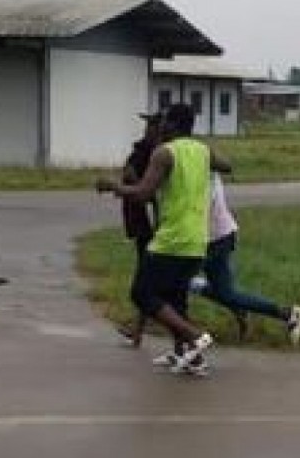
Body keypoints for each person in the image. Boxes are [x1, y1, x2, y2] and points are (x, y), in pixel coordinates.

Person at [96, 103, 227, 376]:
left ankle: (195, 336)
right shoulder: (202, 150)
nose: (160, 126)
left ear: (173, 125)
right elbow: (226, 165)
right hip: (197, 240)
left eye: (165, 121)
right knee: (176, 299)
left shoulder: (164, 153)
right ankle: (191, 358)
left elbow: (143, 193)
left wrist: (114, 186)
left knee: (142, 293)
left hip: (172, 239)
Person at [195, 173, 300, 344]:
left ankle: (186, 343)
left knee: (176, 281)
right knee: (223, 292)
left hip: (210, 239)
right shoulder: (204, 164)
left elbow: (197, 207)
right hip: (217, 235)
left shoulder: (200, 167)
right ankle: (282, 313)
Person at [114, 111, 161, 347]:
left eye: (152, 126)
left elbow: (150, 193)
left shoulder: (159, 155)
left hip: (154, 226)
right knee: (150, 279)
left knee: (147, 282)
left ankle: (141, 328)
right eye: (147, 126)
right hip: (142, 225)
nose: (147, 130)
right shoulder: (143, 151)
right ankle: (139, 329)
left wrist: (130, 184)